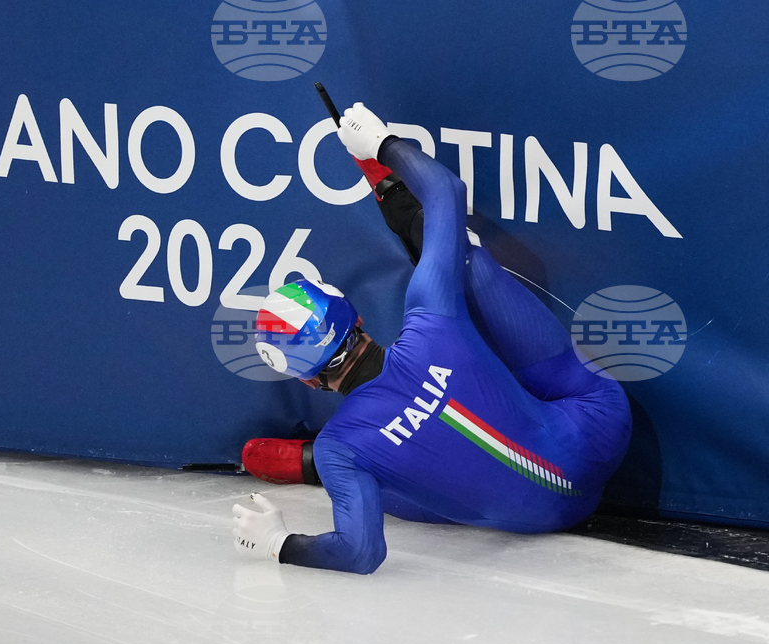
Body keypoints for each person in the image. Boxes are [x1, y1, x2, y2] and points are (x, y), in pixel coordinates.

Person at [231, 103, 632, 574]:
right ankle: (381, 180)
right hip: (603, 426)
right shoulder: (429, 316)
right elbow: (446, 191)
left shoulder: (339, 446)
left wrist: (280, 543)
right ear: (356, 318)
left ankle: (309, 466)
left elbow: (360, 553)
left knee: (384, 484)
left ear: (305, 382)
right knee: (468, 264)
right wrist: (380, 146)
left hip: (546, 515)